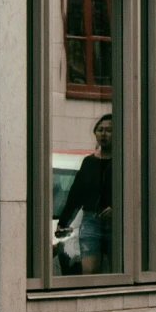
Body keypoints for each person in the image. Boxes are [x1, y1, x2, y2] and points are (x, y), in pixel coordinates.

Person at [58, 114, 117, 275]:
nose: (103, 134)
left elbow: (133, 191)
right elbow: (76, 193)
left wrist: (116, 208)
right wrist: (63, 221)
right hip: (91, 220)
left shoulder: (122, 162)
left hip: (117, 223)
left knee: (119, 272)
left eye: (109, 130)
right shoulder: (89, 162)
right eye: (100, 130)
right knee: (90, 272)